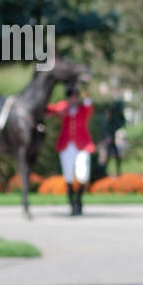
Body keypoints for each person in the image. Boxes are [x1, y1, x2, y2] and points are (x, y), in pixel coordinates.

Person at [47, 85, 95, 215]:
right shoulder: (64, 108)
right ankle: (71, 201)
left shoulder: (83, 109)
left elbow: (89, 106)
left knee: (83, 174)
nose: (73, 99)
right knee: (68, 175)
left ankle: (79, 198)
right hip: (66, 146)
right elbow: (50, 109)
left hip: (82, 145)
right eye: (71, 96)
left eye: (75, 96)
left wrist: (86, 92)